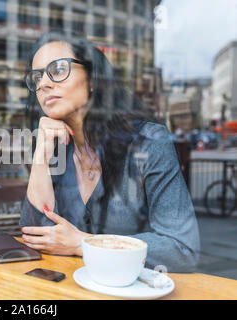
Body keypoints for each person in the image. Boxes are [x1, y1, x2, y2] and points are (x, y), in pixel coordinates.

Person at [20, 32, 200, 273]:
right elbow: (35, 236)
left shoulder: (149, 143)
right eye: (37, 77)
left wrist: (82, 244)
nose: (44, 84)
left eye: (59, 69)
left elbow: (182, 249)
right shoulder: (55, 148)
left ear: (93, 79)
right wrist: (41, 155)